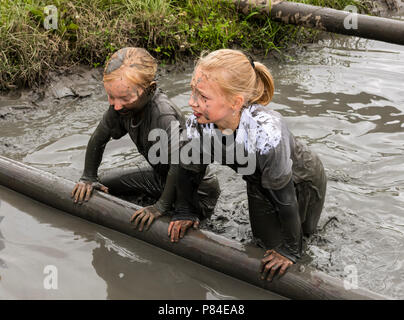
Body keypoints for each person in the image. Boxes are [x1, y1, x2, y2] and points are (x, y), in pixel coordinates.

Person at [169, 49, 327, 281]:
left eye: (202, 96)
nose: (192, 102)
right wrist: (184, 210)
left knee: (299, 246)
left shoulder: (266, 132)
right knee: (263, 247)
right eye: (192, 90)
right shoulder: (199, 122)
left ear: (236, 102)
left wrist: (291, 251)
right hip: (257, 179)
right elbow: (190, 170)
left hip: (302, 180)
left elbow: (286, 198)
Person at [71, 47, 220, 231]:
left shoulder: (162, 114)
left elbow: (179, 163)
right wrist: (88, 177)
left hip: (194, 190)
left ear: (150, 90)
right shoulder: (121, 107)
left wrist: (161, 207)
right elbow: (99, 138)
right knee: (104, 182)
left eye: (124, 98)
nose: (116, 105)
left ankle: (183, 210)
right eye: (111, 97)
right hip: (162, 177)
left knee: (175, 209)